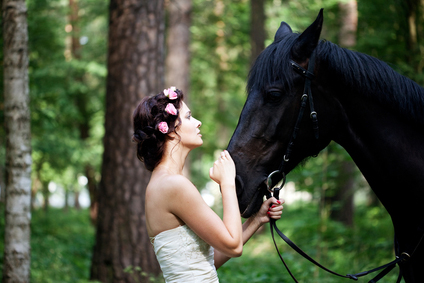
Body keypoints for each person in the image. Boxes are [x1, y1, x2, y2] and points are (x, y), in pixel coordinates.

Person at [132, 87, 284, 282]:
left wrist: (256, 219)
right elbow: (234, 246)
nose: (198, 122)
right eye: (188, 117)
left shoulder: (162, 183)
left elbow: (208, 262)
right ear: (170, 132)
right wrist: (227, 182)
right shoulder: (173, 185)